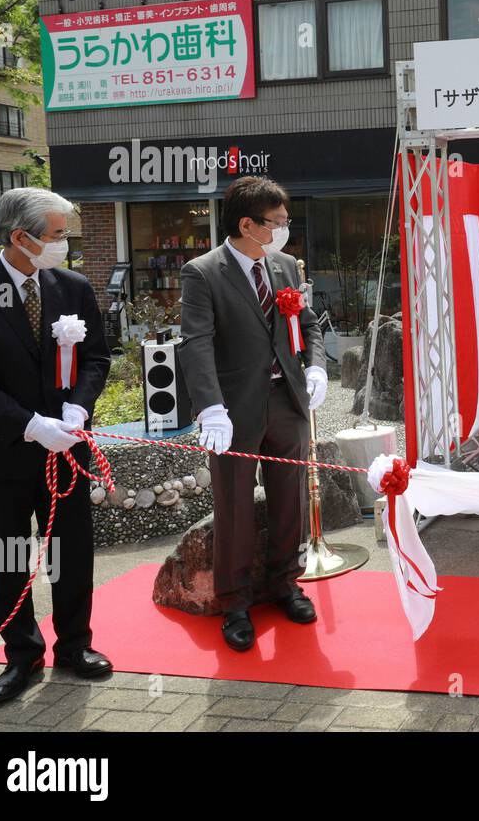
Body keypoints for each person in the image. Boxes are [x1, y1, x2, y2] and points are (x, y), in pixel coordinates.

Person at [0, 189, 112, 704]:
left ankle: (75, 645)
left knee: (71, 553)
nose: (64, 244)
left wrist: (78, 408)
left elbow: (95, 358)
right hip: (0, 450)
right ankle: (21, 655)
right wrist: (29, 424)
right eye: (57, 235)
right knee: (9, 555)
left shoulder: (72, 287)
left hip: (65, 447)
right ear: (20, 238)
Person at [179, 176, 327, 651]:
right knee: (235, 505)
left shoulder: (285, 266)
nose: (285, 230)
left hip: (287, 403)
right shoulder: (203, 273)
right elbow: (196, 342)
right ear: (248, 224)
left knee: (290, 500)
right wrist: (211, 407)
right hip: (235, 410)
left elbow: (308, 324)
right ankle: (235, 601)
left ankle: (286, 583)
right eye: (278, 222)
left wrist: (317, 369)